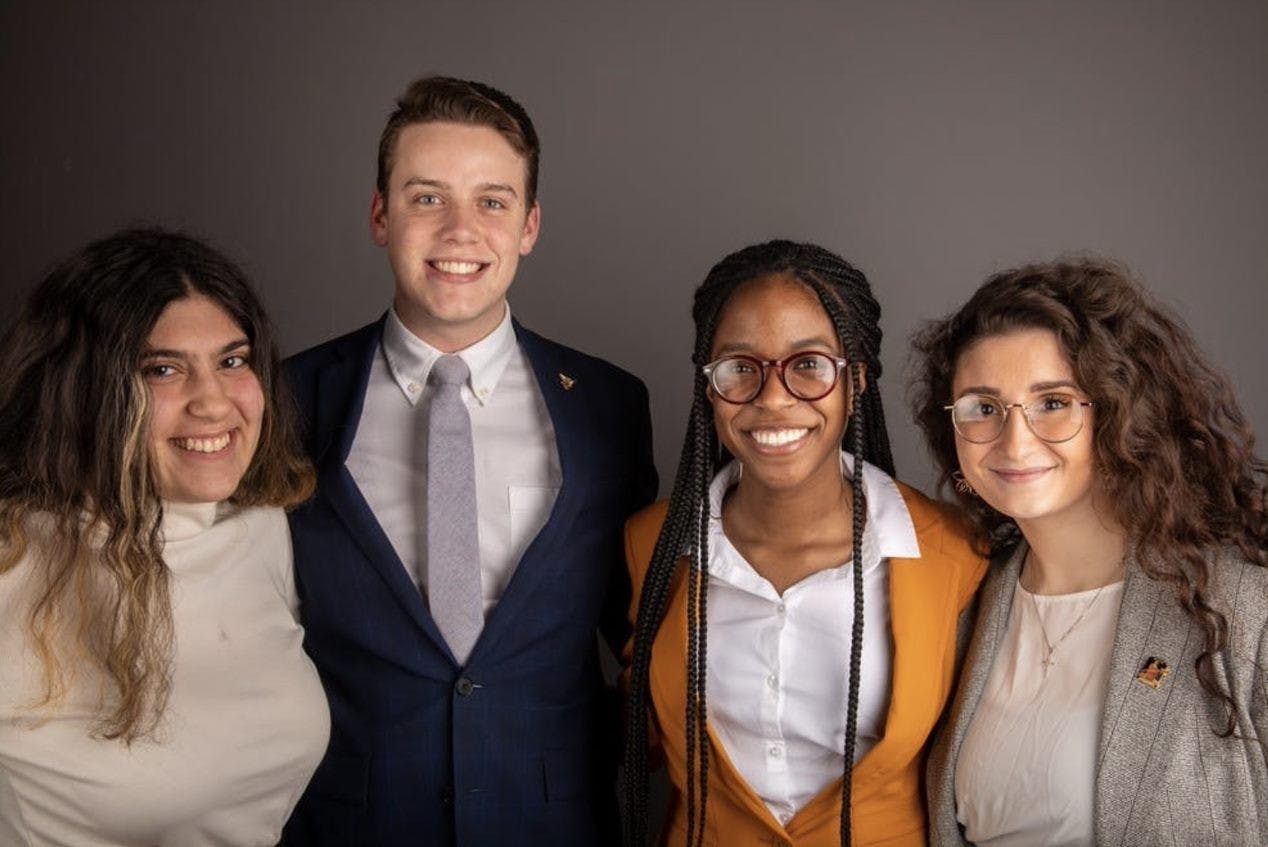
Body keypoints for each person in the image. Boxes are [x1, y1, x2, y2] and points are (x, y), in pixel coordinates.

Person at [282, 75, 658, 846]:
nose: (460, 230)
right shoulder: (283, 400)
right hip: (348, 825)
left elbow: (641, 631)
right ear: (381, 215)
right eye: (427, 198)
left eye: (491, 201)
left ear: (529, 225)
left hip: (554, 823)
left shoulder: (608, 406)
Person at [622, 240, 987, 847]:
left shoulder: (955, 554)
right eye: (740, 367)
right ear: (708, 385)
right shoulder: (651, 546)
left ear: (858, 379)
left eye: (810, 364)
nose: (772, 398)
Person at [912, 258, 1268, 845]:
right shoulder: (960, 605)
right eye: (983, 407)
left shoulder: (1241, 604)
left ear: (1122, 414)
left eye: (1053, 402)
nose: (1014, 440)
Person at [0, 228, 329, 846]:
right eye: (162, 369)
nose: (213, 402)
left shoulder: (261, 532)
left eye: (232, 361)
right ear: (84, 394)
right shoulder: (13, 562)